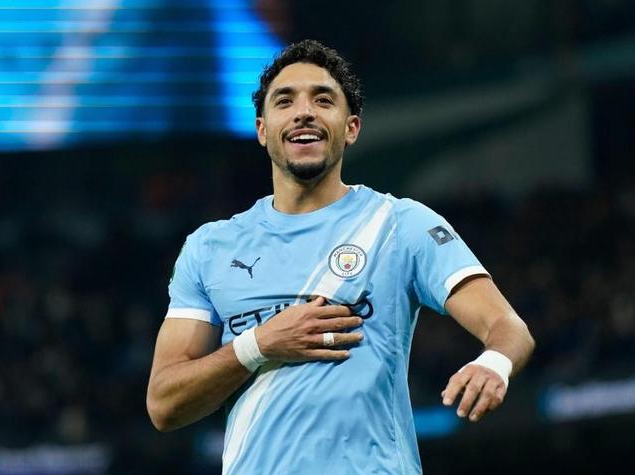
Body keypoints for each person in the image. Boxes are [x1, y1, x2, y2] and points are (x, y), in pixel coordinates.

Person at [146, 39, 535, 474]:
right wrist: (259, 344)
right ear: (262, 130)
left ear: (351, 128)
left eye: (323, 100)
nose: (304, 112)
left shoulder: (400, 225)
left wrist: (493, 363)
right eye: (285, 101)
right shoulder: (210, 247)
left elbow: (509, 328)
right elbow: (163, 403)